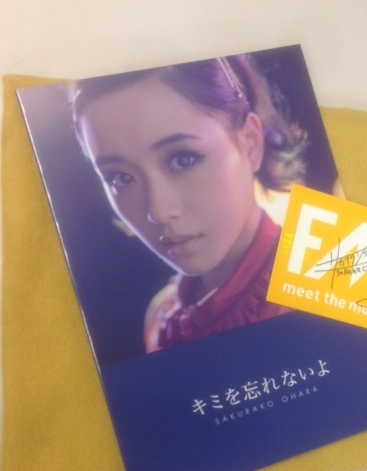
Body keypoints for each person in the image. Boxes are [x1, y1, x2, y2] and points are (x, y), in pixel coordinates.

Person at [70, 55, 306, 353]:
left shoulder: (332, 283)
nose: (157, 212)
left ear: (249, 142)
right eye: (120, 178)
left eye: (183, 159)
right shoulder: (161, 318)